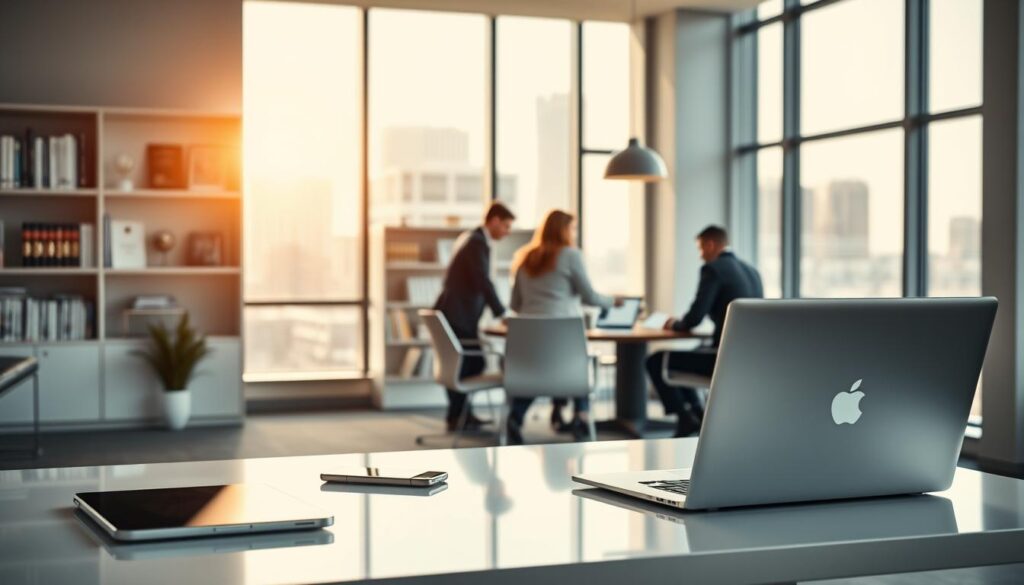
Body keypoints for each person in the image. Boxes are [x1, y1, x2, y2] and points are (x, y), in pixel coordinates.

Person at [505, 209, 620, 443]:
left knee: (536, 371)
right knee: (576, 363)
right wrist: (614, 302)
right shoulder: (571, 255)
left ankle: (515, 417)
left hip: (529, 346)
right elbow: (589, 296)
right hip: (564, 343)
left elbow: (515, 305)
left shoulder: (524, 257)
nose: (574, 233)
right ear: (564, 230)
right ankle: (582, 416)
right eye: (573, 228)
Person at [646, 225, 763, 437]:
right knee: (689, 354)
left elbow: (693, 319)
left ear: (710, 244)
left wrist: (671, 324)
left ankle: (685, 417)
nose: (701, 256)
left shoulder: (713, 269)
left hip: (720, 362)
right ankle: (697, 415)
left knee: (655, 361)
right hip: (750, 361)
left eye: (701, 249)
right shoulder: (751, 271)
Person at [433, 202, 516, 432]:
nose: (508, 232)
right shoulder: (476, 243)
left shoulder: (469, 238)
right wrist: (502, 313)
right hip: (459, 315)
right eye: (506, 226)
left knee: (462, 363)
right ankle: (459, 415)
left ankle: (458, 415)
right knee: (472, 361)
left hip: (454, 312)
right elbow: (483, 282)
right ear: (495, 221)